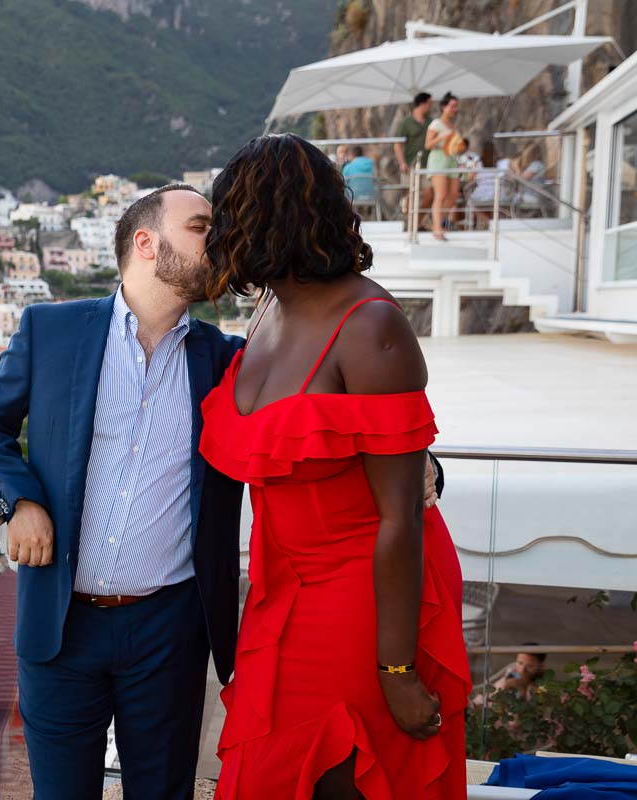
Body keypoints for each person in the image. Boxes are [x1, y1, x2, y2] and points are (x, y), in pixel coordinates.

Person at [0, 181, 442, 800]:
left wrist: (422, 461)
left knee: (164, 792)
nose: (219, 240)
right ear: (146, 243)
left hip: (171, 628)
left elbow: (325, 416)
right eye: (200, 227)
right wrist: (19, 501)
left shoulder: (228, 360)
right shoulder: (51, 331)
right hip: (60, 625)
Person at [201, 134, 470, 799]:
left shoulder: (370, 325)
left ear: (265, 219)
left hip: (365, 599)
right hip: (277, 596)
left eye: (229, 217)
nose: (221, 236)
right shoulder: (268, 309)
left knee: (341, 778)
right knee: (265, 775)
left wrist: (398, 668)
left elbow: (402, 512)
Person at [426, 92, 462, 240]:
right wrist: (441, 137)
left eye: (455, 106)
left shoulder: (452, 125)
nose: (454, 109)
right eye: (452, 106)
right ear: (444, 107)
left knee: (453, 196)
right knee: (440, 195)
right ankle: (437, 228)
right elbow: (427, 144)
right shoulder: (436, 124)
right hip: (439, 160)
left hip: (452, 161)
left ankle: (436, 223)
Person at [395, 92, 434, 222]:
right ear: (422, 104)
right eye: (429, 104)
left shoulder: (431, 122)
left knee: (429, 192)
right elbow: (398, 145)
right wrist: (402, 163)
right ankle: (410, 223)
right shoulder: (406, 122)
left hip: (428, 165)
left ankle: (418, 221)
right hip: (410, 164)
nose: (431, 106)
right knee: (410, 194)